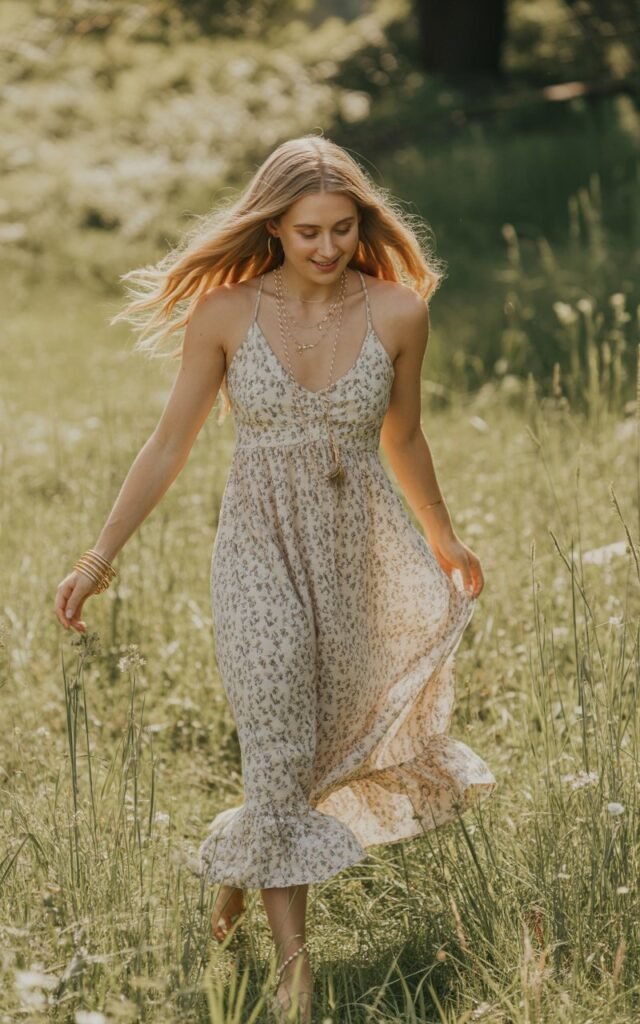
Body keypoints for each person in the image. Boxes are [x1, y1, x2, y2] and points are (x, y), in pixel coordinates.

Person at [54, 134, 496, 1023]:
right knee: (278, 737)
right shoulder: (223, 314)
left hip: (357, 549)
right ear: (273, 227)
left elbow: (403, 439)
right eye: (307, 232)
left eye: (342, 229)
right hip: (256, 552)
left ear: (362, 222)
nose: (327, 248)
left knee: (317, 745)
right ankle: (295, 980)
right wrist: (99, 557)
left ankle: (240, 868)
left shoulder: (400, 312)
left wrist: (446, 542)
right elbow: (170, 443)